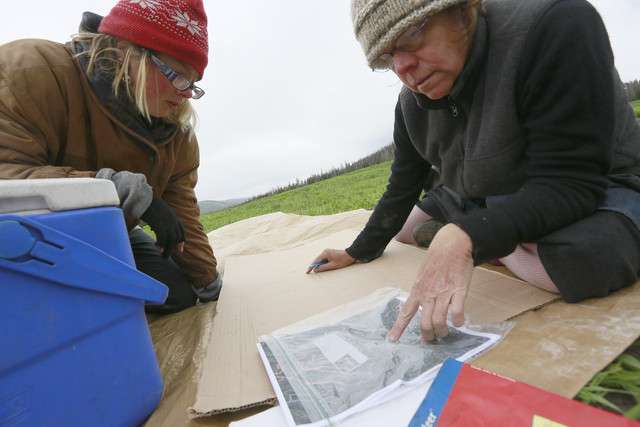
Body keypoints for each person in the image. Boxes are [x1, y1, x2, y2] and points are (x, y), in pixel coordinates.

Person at [309, 0, 640, 343]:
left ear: (464, 8)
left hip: (593, 184)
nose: (403, 66)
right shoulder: (410, 105)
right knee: (403, 230)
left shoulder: (552, 24)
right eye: (386, 57)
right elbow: (402, 185)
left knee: (583, 263)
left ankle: (491, 238)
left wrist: (470, 237)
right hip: (484, 191)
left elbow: (572, 182)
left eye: (410, 34)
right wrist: (357, 251)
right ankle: (490, 231)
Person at [0, 0, 221, 314]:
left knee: (176, 294)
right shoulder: (32, 71)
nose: (185, 94)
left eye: (193, 83)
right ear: (125, 51)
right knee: (49, 313)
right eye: (176, 75)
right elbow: (6, 174)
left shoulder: (177, 134)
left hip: (112, 234)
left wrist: (206, 278)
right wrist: (109, 189)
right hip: (23, 237)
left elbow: (183, 208)